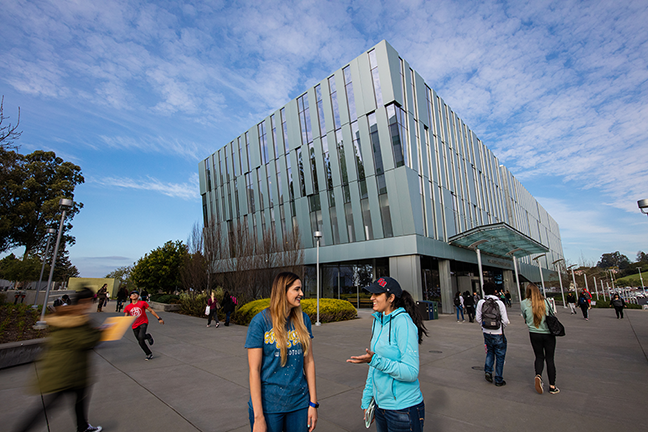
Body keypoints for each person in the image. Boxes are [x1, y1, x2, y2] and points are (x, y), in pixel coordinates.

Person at [12, 288, 103, 432]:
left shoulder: (66, 316)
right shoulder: (77, 319)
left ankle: (83, 427)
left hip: (69, 369)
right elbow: (85, 341)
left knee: (79, 400)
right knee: (48, 407)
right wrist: (101, 333)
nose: (90, 305)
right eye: (90, 302)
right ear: (84, 302)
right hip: (67, 371)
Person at [347, 276, 427, 432]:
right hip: (380, 406)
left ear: (391, 298)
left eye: (377, 294)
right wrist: (367, 399)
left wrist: (375, 360)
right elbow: (374, 365)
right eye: (372, 294)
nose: (372, 298)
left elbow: (411, 372)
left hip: (403, 409)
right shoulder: (378, 320)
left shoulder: (403, 323)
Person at [245, 272, 318, 432]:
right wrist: (258, 417)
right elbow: (254, 371)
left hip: (299, 403)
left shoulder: (303, 320)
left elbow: (309, 361)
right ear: (282, 291)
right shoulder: (260, 322)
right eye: (297, 289)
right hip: (269, 405)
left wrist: (313, 403)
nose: (301, 294)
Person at [521, 284, 560, 395]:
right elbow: (551, 315)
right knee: (550, 358)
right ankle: (552, 386)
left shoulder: (524, 303)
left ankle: (538, 375)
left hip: (534, 333)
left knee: (539, 356)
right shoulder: (546, 302)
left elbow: (524, 317)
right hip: (548, 333)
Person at [476, 282, 510, 387]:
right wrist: (500, 327)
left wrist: (484, 326)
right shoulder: (499, 303)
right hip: (498, 332)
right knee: (500, 355)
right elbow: (505, 320)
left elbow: (478, 318)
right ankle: (499, 379)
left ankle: (488, 371)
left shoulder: (481, 302)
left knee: (490, 352)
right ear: (495, 291)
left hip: (486, 332)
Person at [124, 290, 164, 360]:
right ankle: (149, 353)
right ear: (130, 297)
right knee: (140, 341)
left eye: (136, 294)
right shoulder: (128, 307)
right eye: (132, 294)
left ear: (138, 296)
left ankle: (147, 336)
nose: (134, 295)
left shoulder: (142, 303)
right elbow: (126, 317)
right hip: (134, 325)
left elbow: (151, 310)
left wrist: (159, 318)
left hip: (143, 322)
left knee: (141, 336)